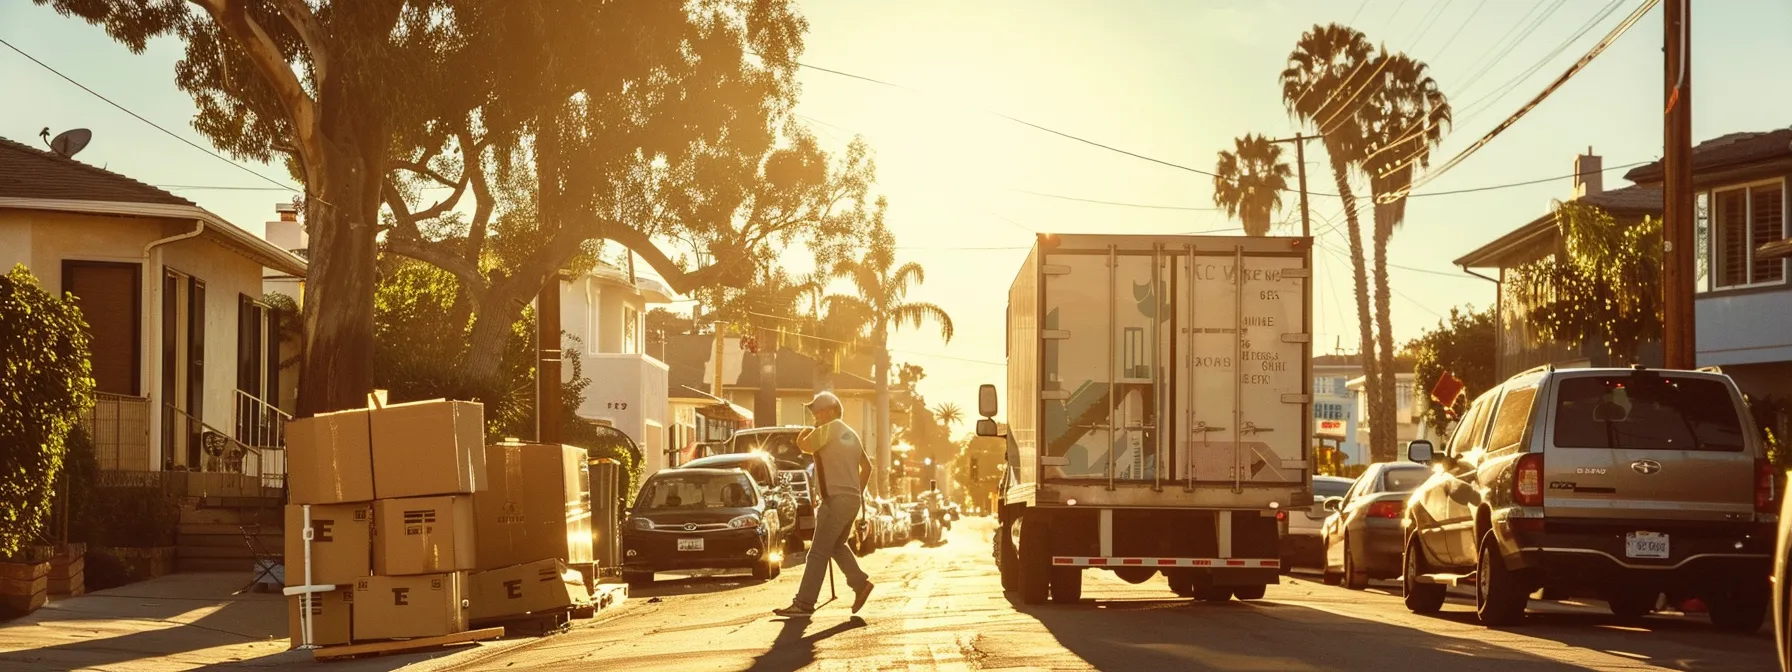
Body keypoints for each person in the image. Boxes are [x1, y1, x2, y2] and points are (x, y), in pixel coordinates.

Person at [772, 391, 875, 617]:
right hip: (850, 500)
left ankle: (804, 603)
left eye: (817, 411)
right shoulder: (850, 433)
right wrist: (857, 492)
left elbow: (805, 446)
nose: (815, 416)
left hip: (836, 500)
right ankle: (860, 584)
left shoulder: (833, 427)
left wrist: (804, 433)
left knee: (817, 553)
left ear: (831, 411)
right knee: (836, 545)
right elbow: (867, 467)